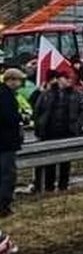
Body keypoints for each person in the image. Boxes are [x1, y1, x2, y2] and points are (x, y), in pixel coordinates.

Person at [33, 70, 83, 193]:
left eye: (70, 79)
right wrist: (39, 126)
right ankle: (49, 187)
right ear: (59, 79)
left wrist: (77, 125)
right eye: (66, 78)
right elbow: (37, 111)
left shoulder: (75, 94)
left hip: (67, 130)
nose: (69, 81)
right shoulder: (47, 93)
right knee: (50, 161)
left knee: (65, 161)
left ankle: (63, 186)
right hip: (50, 131)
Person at [0, 68, 26, 216]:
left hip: (4, 141)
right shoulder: (5, 96)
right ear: (10, 80)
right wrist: (19, 118)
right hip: (6, 142)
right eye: (18, 80)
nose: (20, 83)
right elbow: (8, 117)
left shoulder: (5, 94)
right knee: (7, 175)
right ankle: (4, 206)